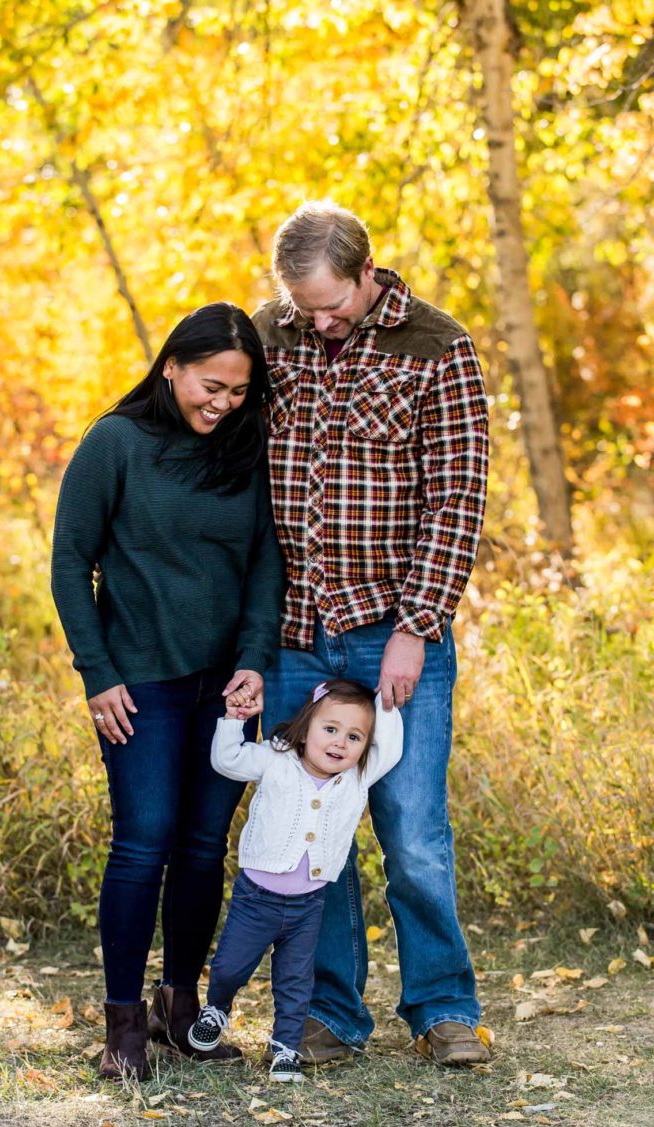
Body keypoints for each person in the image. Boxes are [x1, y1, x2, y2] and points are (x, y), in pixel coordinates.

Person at [251, 201, 490, 1067]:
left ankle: (442, 1009)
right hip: (291, 636)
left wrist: (416, 627)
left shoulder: (436, 345)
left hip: (391, 634)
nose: (318, 322)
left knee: (413, 830)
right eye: (302, 306)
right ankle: (332, 1015)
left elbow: (457, 497)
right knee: (315, 832)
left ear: (366, 272)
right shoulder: (270, 337)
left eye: (332, 306)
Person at [51, 302, 285, 1080]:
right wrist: (98, 674)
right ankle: (121, 1025)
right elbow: (70, 563)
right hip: (139, 683)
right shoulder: (114, 443)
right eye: (209, 385)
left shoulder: (243, 454)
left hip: (227, 687)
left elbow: (262, 565)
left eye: (238, 391)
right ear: (172, 367)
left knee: (201, 849)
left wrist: (255, 657)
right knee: (143, 841)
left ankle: (178, 1010)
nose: (221, 403)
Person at [186, 679, 403, 1084]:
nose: (340, 743)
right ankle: (217, 1007)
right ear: (305, 728)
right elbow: (227, 760)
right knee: (231, 966)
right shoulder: (276, 759)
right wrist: (234, 719)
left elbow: (389, 747)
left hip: (308, 905)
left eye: (354, 736)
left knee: (295, 981)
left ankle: (285, 1048)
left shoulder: (358, 776)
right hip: (256, 899)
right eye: (330, 729)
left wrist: (384, 699)